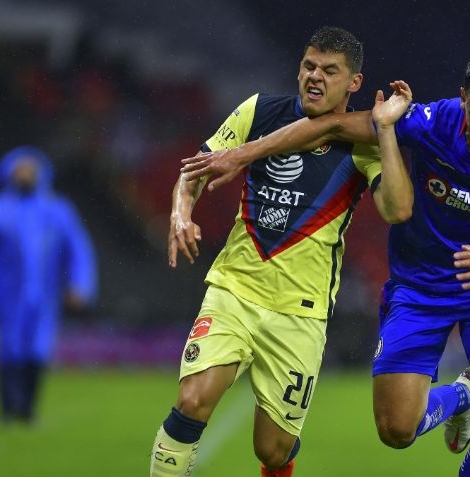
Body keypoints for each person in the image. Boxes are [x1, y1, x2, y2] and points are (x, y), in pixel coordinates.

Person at [182, 50, 470, 477]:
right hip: (420, 287)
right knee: (396, 429)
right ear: (462, 98)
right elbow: (333, 125)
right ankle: (459, 397)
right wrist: (243, 154)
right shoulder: (432, 122)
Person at [150, 26, 413, 477]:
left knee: (273, 450)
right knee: (192, 400)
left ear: (354, 83)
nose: (315, 77)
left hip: (301, 313)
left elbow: (397, 208)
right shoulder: (259, 111)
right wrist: (180, 213)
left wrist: (385, 130)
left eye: (330, 71)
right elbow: (195, 170)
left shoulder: (364, 144)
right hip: (234, 289)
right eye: (309, 65)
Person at [0, 146, 97, 425]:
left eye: (29, 169)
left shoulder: (58, 210)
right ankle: (8, 408)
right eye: (19, 169)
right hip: (6, 295)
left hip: (45, 295)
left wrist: (79, 285)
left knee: (38, 348)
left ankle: (27, 407)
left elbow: (78, 251)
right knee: (9, 348)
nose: (24, 175)